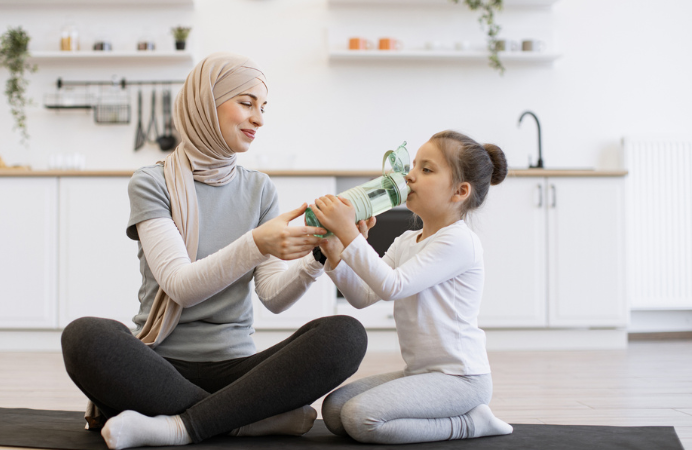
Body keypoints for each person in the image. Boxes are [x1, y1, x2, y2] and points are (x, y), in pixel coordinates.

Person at [60, 53, 367, 449]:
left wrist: (318, 256)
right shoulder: (151, 183)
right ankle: (242, 421)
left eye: (263, 107)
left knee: (345, 335)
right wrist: (257, 243)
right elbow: (180, 285)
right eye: (246, 102)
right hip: (158, 365)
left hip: (237, 371)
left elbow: (273, 297)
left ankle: (180, 425)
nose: (259, 118)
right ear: (205, 105)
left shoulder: (259, 189)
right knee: (85, 337)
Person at [309, 130, 513, 444]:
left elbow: (393, 286)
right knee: (335, 411)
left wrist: (350, 235)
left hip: (461, 379)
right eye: (413, 166)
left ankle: (471, 423)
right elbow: (364, 296)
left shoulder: (458, 241)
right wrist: (335, 256)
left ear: (459, 191)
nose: (410, 177)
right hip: (422, 373)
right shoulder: (407, 240)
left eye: (426, 170)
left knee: (360, 418)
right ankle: (459, 417)